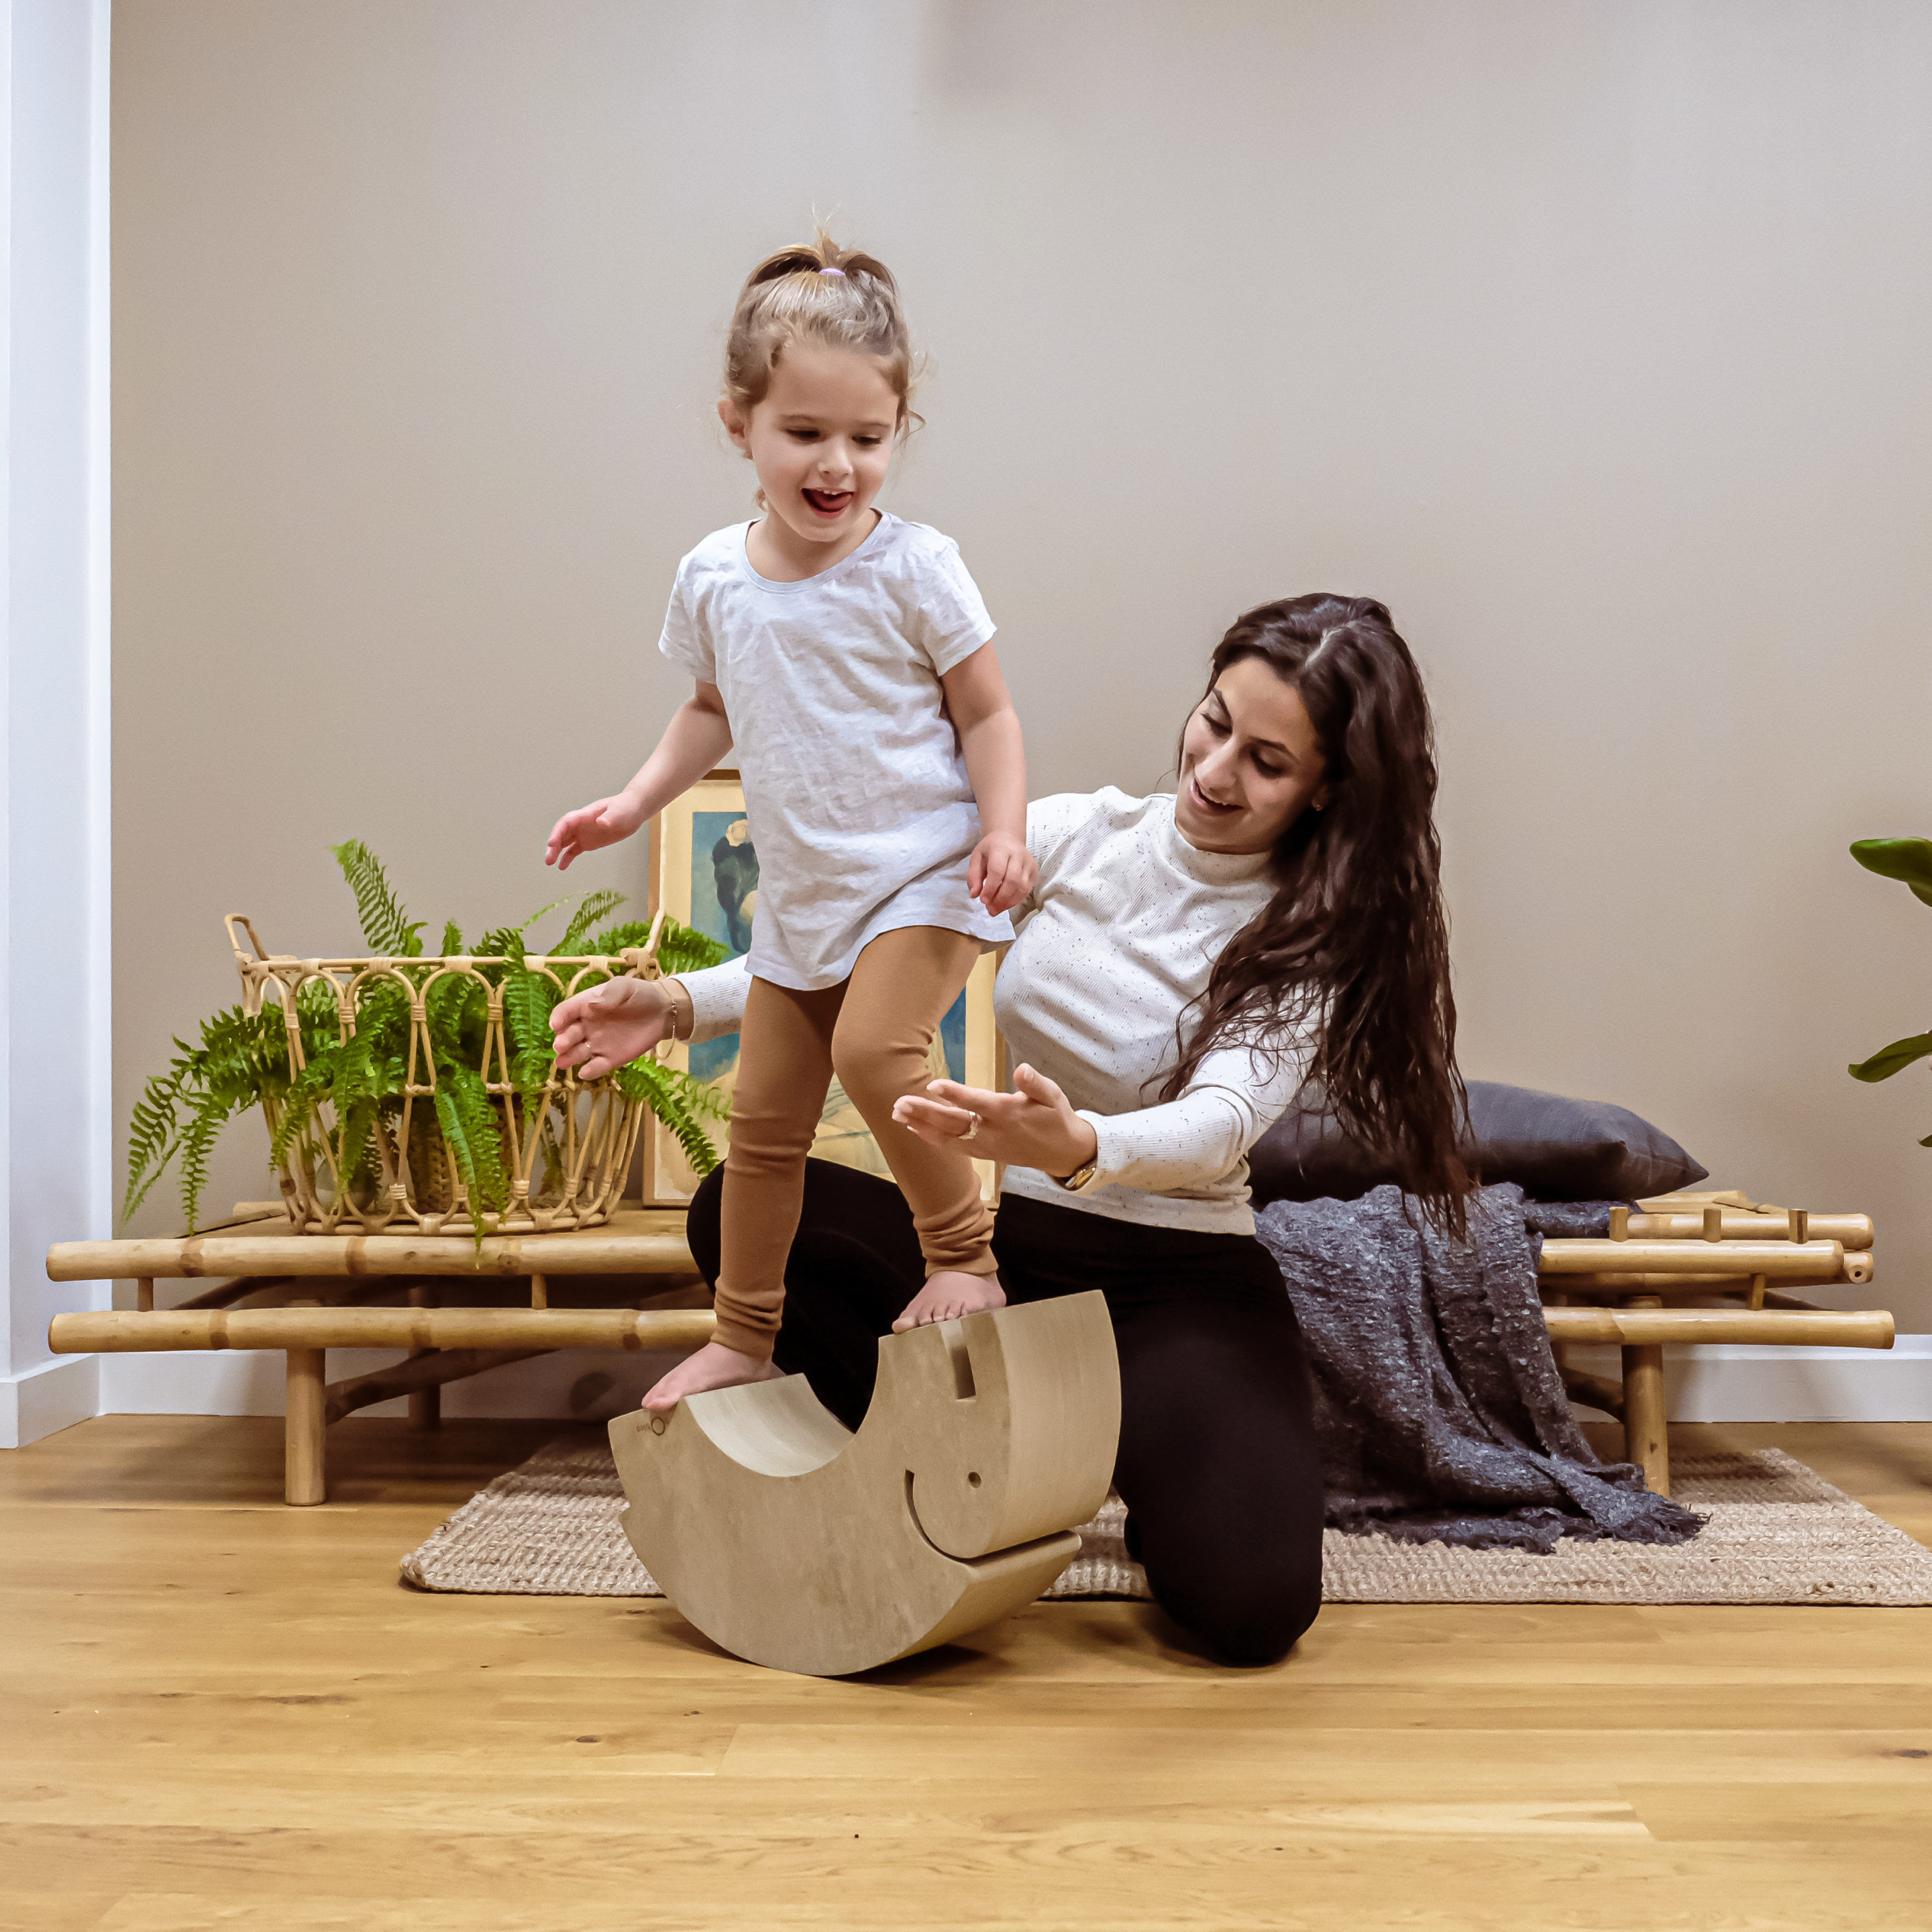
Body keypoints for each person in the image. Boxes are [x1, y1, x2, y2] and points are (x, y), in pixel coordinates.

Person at [552, 594, 1470, 1665]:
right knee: (740, 1213)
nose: (1216, 771)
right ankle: (1018, 1472)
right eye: (1215, 721)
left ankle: (1096, 1460)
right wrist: (674, 1006)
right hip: (1014, 1266)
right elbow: (866, 932)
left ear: (1328, 791)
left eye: (1268, 762)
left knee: (1251, 1612)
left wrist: (1083, 1145)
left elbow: (1221, 1125)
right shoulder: (1081, 834)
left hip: (1180, 1283)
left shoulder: (1313, 934)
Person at [543, 231, 1034, 1412]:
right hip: (805, 904)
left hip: (923, 877)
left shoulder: (919, 570)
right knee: (761, 1124)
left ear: (898, 432)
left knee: (876, 1054)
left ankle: (964, 1256)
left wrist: (1003, 829)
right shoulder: (715, 577)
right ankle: (745, 1337)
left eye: (868, 440)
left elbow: (990, 712)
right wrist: (634, 801)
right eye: (805, 434)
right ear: (739, 424)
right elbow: (711, 708)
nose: (838, 465)